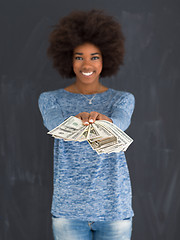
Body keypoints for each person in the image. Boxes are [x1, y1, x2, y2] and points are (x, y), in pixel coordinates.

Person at [38, 9, 135, 240]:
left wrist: (107, 121)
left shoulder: (122, 98)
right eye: (79, 57)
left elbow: (121, 121)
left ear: (106, 59)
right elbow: (53, 124)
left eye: (95, 56)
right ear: (69, 60)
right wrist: (73, 121)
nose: (86, 64)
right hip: (68, 211)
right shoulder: (50, 99)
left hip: (114, 209)